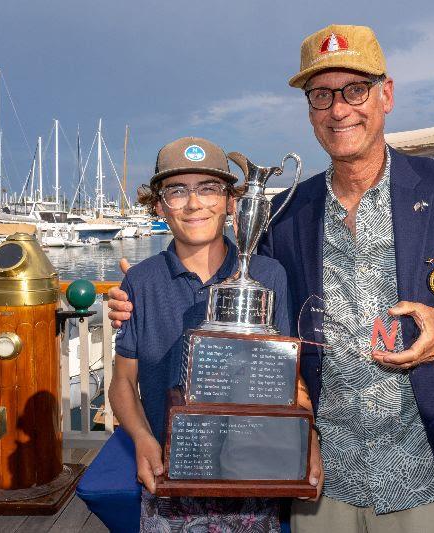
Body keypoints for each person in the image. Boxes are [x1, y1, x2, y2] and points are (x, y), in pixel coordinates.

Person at [109, 26, 434, 533]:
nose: (339, 110)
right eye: (321, 96)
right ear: (310, 110)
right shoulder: (289, 212)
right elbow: (235, 274)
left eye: (355, 90)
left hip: (431, 473)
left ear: (386, 95)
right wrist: (138, 292)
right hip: (320, 480)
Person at [109, 136, 321, 533]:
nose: (193, 203)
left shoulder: (269, 275)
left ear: (231, 202)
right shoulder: (141, 282)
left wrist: (308, 439)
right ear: (158, 205)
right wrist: (141, 439)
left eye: (208, 188)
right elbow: (121, 383)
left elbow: (290, 377)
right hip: (169, 478)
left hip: (253, 477)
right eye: (177, 190)